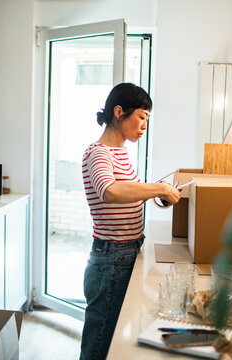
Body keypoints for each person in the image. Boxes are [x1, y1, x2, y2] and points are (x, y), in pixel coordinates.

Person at [80, 83, 180, 359]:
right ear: (119, 111)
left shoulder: (120, 153)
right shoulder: (98, 152)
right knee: (99, 343)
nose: (144, 126)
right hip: (111, 257)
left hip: (124, 253)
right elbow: (110, 191)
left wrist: (155, 196)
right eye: (142, 117)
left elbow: (128, 194)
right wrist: (158, 189)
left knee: (109, 337)